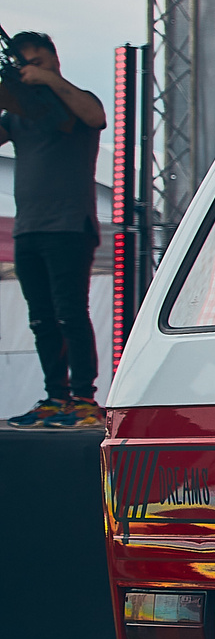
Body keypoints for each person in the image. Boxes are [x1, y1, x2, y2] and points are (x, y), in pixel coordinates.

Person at [0, 27, 108, 429]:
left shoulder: (76, 105)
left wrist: (49, 80)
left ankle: (83, 397)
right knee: (41, 318)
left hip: (68, 227)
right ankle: (54, 397)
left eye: (37, 62)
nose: (30, 71)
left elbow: (96, 117)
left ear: (53, 60)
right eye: (24, 64)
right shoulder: (18, 116)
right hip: (28, 229)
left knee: (70, 314)